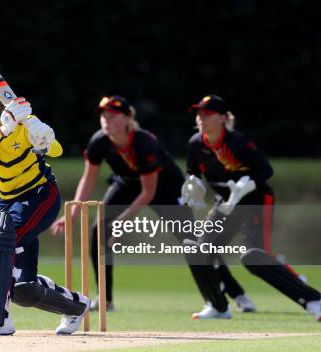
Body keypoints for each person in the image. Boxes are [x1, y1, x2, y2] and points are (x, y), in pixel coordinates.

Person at [50, 95, 254, 313]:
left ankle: (235, 293)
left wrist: (121, 223)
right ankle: (105, 299)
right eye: (103, 116)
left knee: (193, 241)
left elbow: (149, 192)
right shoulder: (99, 141)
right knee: (99, 229)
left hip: (166, 188)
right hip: (127, 183)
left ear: (128, 118)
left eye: (113, 116)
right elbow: (88, 178)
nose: (106, 121)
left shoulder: (144, 143)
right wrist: (72, 212)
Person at [182, 94, 321, 321]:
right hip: (226, 205)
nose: (202, 118)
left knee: (252, 257)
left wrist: (246, 185)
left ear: (222, 118)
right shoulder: (195, 144)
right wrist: (192, 183)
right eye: (199, 114)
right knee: (197, 249)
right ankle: (217, 306)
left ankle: (314, 300)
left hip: (256, 201)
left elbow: (265, 170)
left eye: (208, 114)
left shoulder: (237, 142)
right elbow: (192, 170)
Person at [0, 80, 90, 336]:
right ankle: (76, 306)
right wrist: (4, 130)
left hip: (40, 196)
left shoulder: (23, 125)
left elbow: (56, 150)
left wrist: (42, 134)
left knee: (1, 240)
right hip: (8, 201)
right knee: (25, 290)